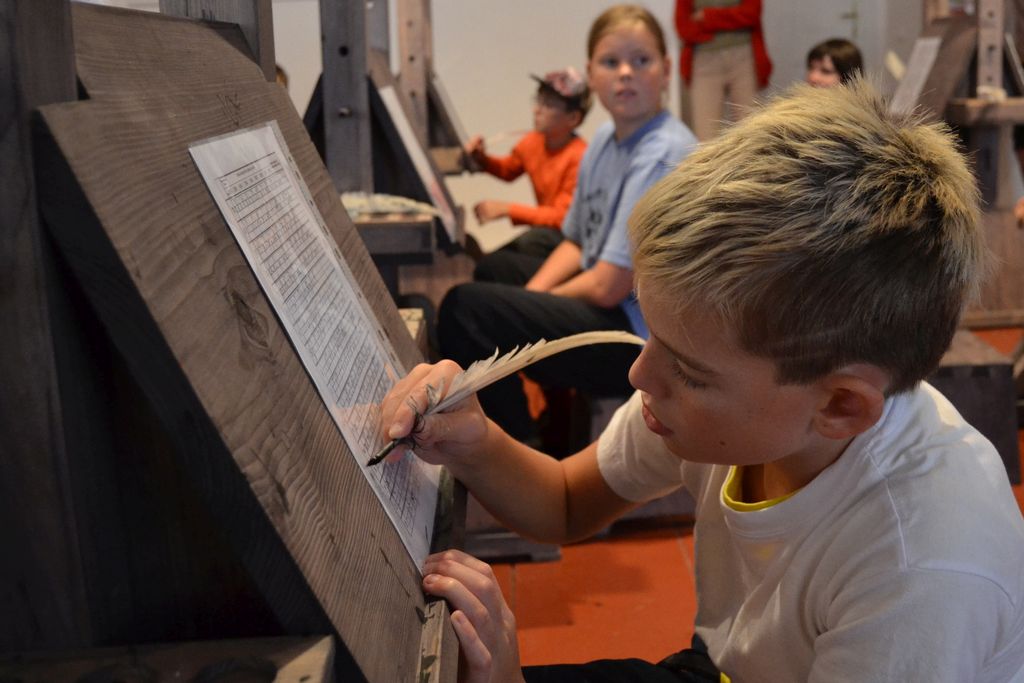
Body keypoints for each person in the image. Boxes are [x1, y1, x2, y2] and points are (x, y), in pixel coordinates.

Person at [381, 80, 1024, 682]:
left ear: (839, 406)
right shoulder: (733, 399)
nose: (639, 373)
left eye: (687, 368)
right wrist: (475, 443)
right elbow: (568, 501)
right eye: (654, 335)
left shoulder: (924, 570)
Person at [439, 5, 698, 445]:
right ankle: (538, 424)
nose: (625, 73)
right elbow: (576, 240)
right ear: (591, 74)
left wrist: (527, 307)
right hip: (608, 300)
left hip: (641, 340)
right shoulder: (604, 139)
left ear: (666, 70)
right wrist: (529, 298)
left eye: (641, 60)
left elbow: (608, 286)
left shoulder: (662, 152)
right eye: (611, 62)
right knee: (494, 271)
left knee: (465, 311)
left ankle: (518, 452)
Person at [465, 67, 590, 262]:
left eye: (548, 104)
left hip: (571, 241)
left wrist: (507, 209)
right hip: (547, 233)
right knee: (511, 252)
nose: (537, 110)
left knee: (532, 241)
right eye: (538, 100)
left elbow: (562, 218)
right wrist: (481, 158)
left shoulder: (580, 156)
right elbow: (508, 170)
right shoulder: (532, 141)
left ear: (573, 118)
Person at [674, 0, 771, 141]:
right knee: (706, 137)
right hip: (704, 61)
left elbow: (751, 14)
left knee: (752, 131)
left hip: (743, 58)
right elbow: (684, 27)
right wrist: (733, 19)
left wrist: (707, 17)